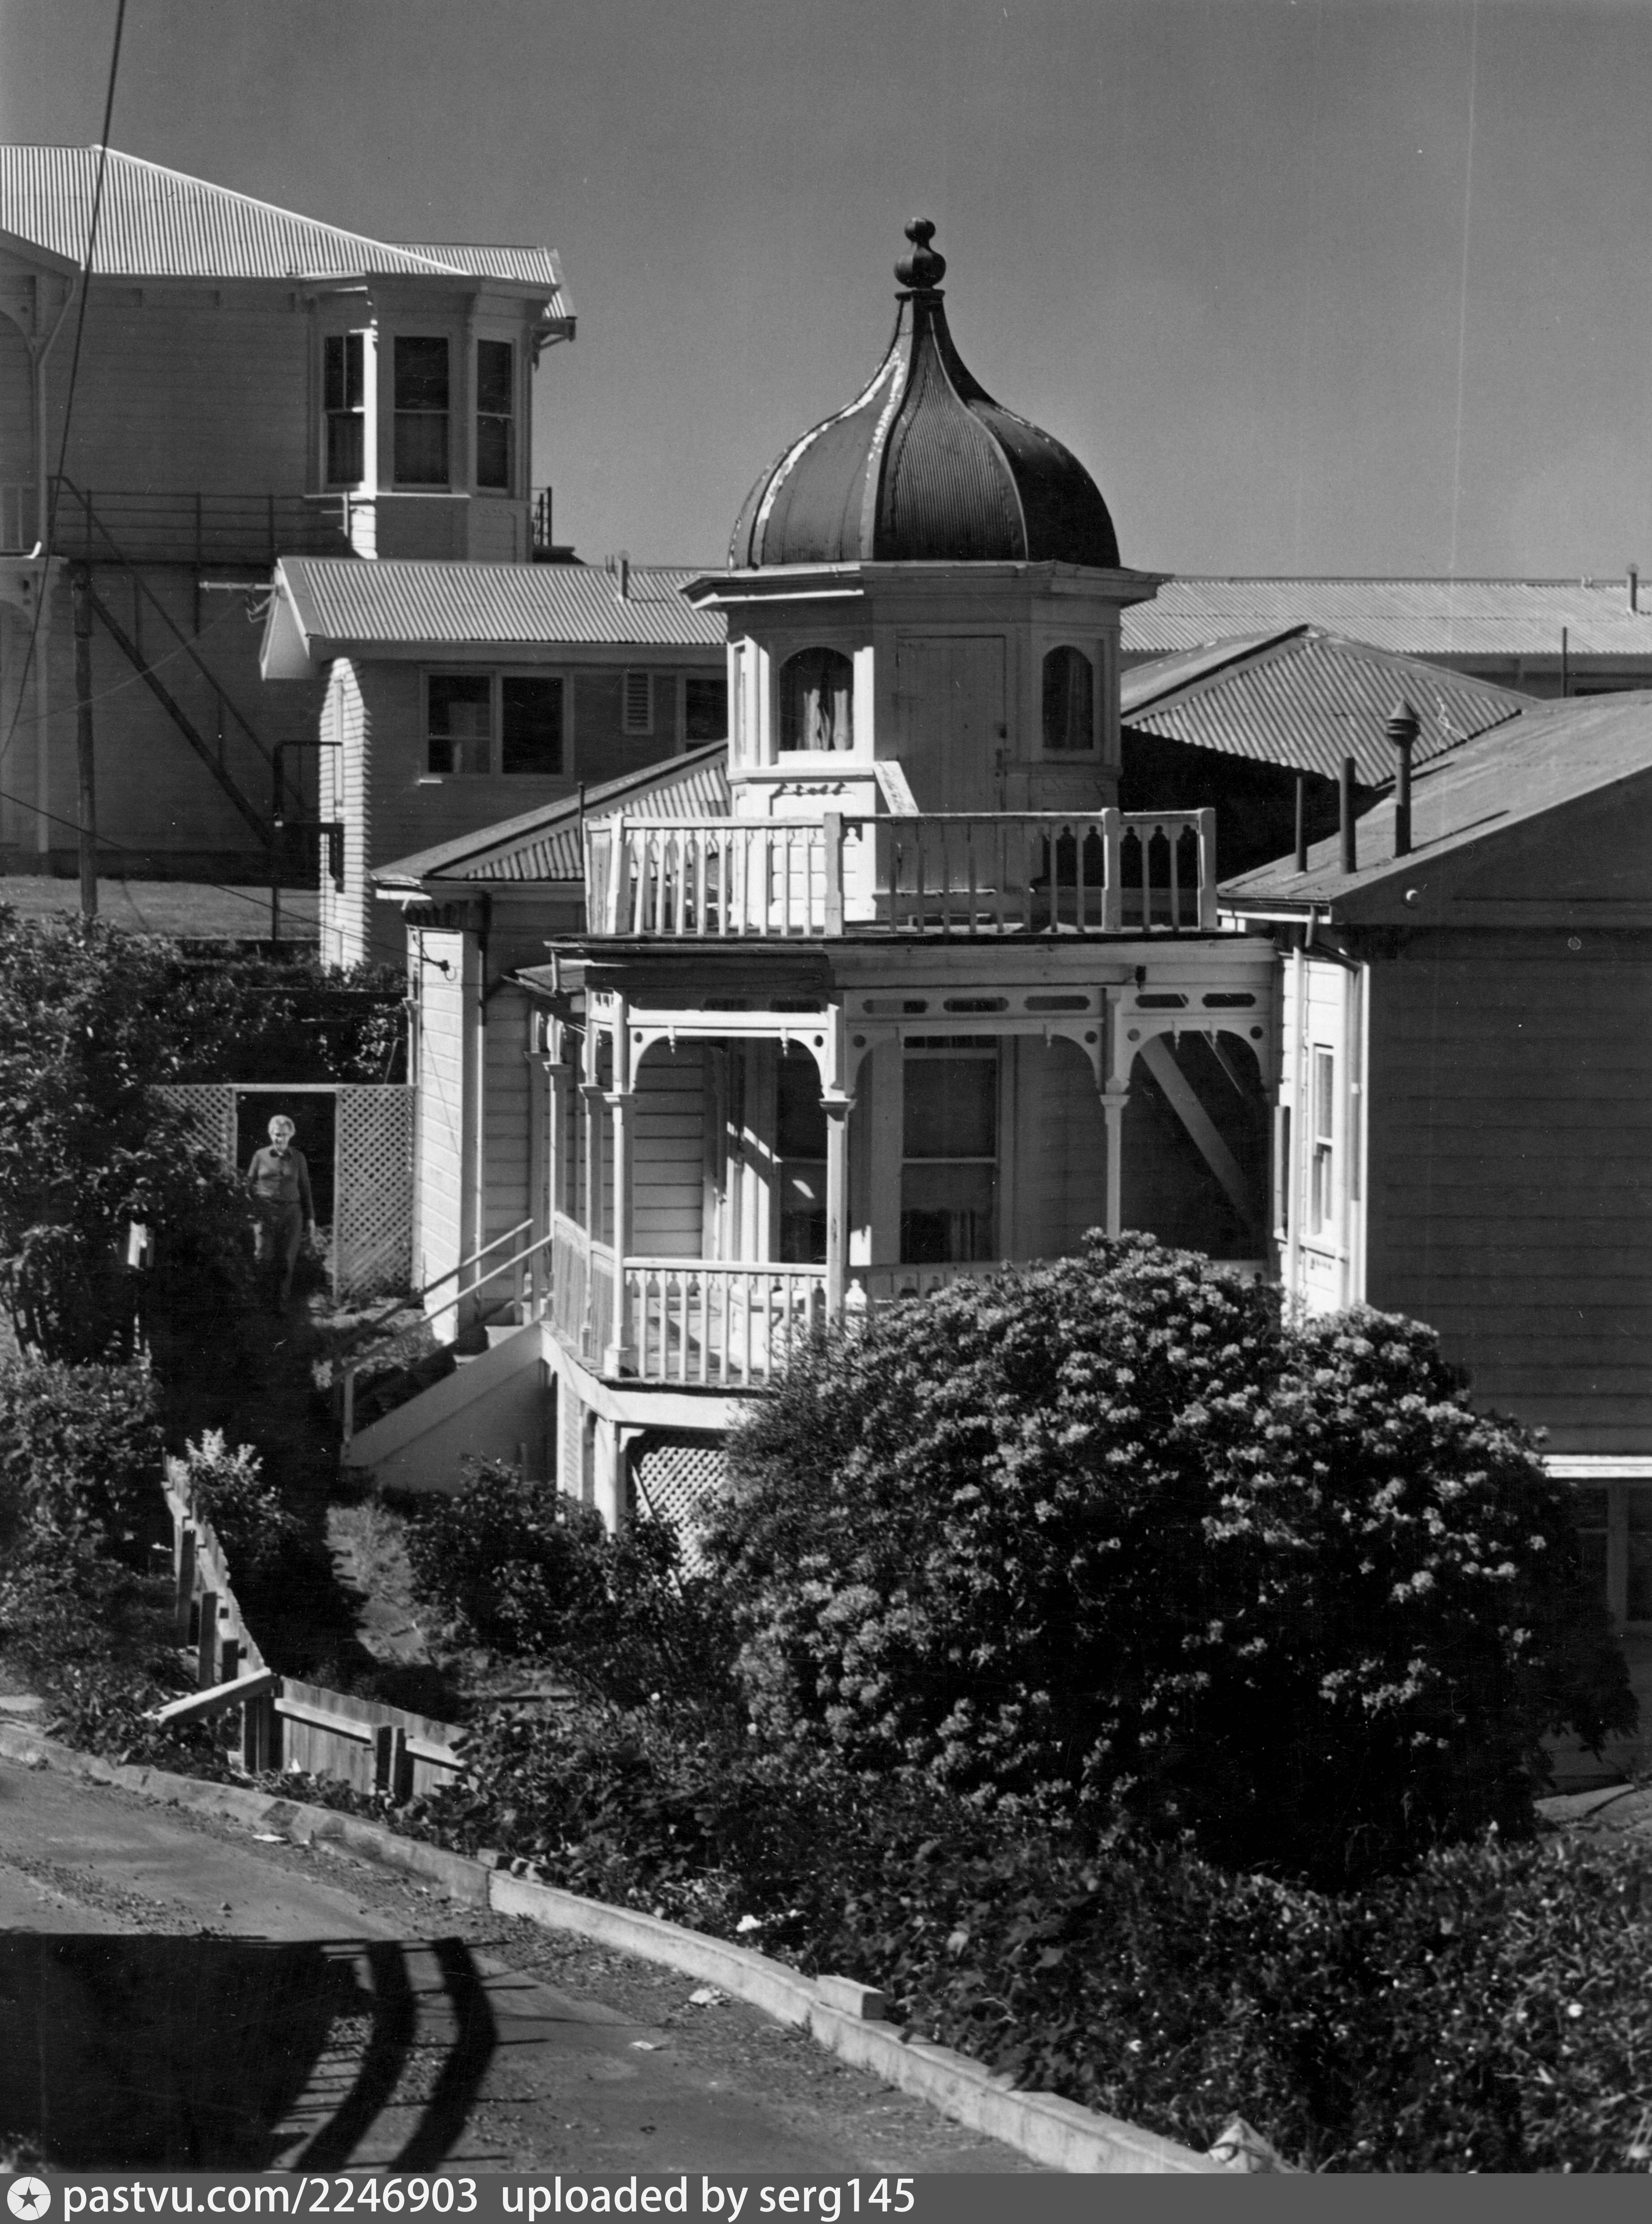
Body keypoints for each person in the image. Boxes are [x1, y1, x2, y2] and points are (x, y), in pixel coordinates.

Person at [246, 1114, 317, 1309]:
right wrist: (253, 1211)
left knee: (287, 1259)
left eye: (285, 1135)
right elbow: (248, 1186)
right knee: (263, 1256)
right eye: (277, 1134)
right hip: (265, 1213)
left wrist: (311, 1218)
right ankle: (262, 1303)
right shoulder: (260, 1156)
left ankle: (280, 1304)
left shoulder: (298, 1158)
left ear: (291, 1135)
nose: (281, 1139)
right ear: (271, 1134)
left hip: (292, 1214)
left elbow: (305, 1188)